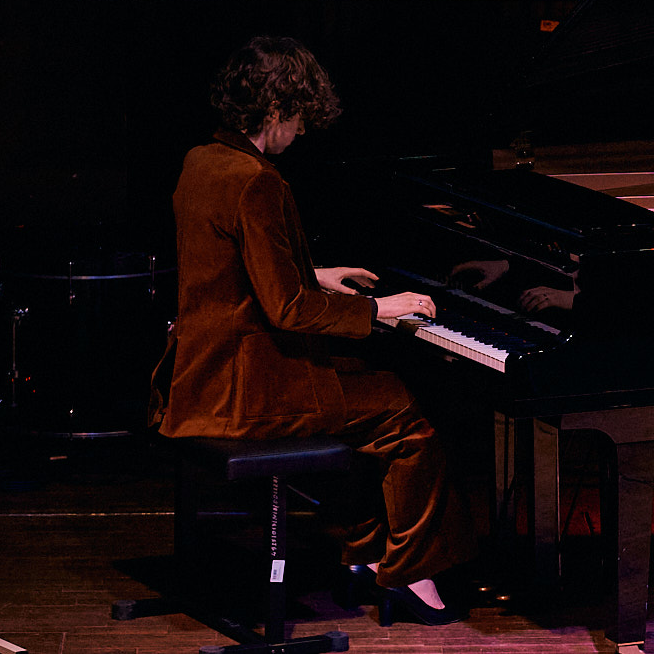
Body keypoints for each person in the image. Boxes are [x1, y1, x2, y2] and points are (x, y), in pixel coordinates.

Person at [155, 36, 473, 624]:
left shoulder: (203, 160)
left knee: (369, 388)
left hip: (199, 374)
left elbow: (227, 270)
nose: (301, 131)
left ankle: (363, 557)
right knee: (407, 415)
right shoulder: (258, 181)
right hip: (245, 390)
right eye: (299, 116)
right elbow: (288, 310)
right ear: (276, 108)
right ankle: (408, 573)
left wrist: (315, 273)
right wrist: (380, 309)